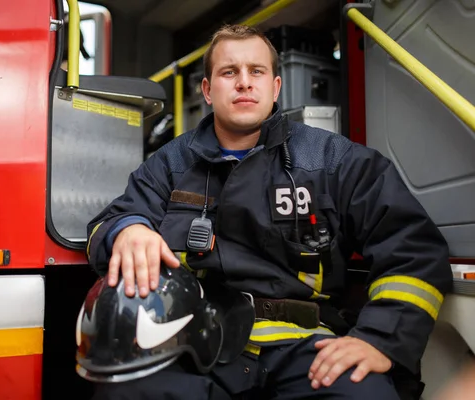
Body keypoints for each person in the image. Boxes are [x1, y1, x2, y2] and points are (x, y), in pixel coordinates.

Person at [85, 24, 453, 399]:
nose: (244, 83)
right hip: (198, 342)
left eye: (256, 71)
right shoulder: (169, 164)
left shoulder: (335, 161)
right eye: (229, 72)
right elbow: (108, 224)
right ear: (208, 91)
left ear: (275, 88)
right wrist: (128, 229)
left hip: (308, 348)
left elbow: (413, 251)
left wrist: (379, 339)